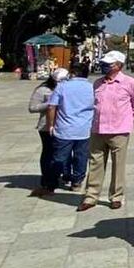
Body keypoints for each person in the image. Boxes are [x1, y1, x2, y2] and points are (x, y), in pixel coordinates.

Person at [77, 51, 134, 211]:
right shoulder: (98, 83)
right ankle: (91, 196)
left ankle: (116, 196)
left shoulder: (129, 82)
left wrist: (130, 120)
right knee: (95, 163)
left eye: (109, 64)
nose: (105, 66)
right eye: (104, 64)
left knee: (118, 164)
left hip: (119, 130)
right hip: (98, 129)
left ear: (119, 65)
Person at [46, 64, 95, 194]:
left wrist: (50, 124)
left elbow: (52, 107)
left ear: (72, 73)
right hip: (84, 128)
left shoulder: (62, 87)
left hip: (64, 128)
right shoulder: (92, 88)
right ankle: (77, 182)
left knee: (59, 157)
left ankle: (54, 181)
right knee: (81, 156)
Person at [29, 68, 70, 196]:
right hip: (46, 127)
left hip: (64, 126)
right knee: (49, 152)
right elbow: (32, 107)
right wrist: (50, 103)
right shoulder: (43, 90)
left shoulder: (68, 88)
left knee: (63, 153)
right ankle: (46, 179)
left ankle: (62, 176)